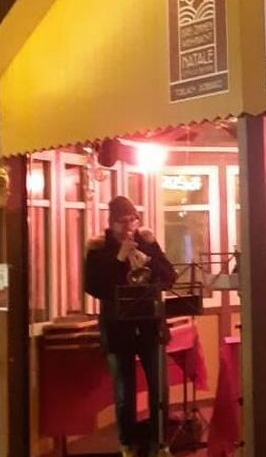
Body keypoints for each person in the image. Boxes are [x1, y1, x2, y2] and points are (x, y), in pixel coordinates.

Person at [83, 196, 177, 457]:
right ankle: (128, 445)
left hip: (149, 325)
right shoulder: (99, 248)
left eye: (132, 220)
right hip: (117, 328)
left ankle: (160, 443)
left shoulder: (146, 242)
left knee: (159, 388)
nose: (128, 227)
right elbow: (93, 286)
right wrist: (119, 258)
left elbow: (169, 276)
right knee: (125, 392)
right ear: (111, 223)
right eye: (122, 222)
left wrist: (149, 261)